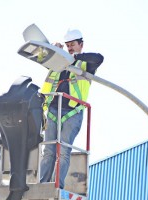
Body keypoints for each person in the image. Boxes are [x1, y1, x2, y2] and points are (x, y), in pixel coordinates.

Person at [40, 29, 104, 189]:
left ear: (80, 45)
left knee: (63, 151)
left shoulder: (86, 64)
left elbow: (99, 58)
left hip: (72, 112)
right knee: (48, 151)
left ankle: (56, 185)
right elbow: (42, 58)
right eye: (67, 46)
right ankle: (42, 185)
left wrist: (75, 57)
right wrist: (53, 52)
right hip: (53, 111)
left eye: (72, 45)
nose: (69, 48)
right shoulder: (58, 62)